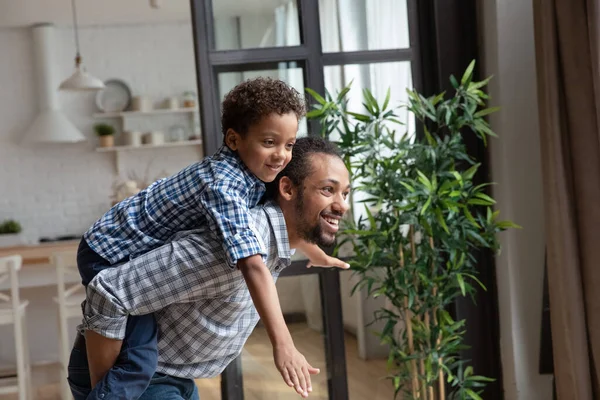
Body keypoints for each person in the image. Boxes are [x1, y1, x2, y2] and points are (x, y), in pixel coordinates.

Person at [77, 79, 349, 399]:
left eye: (288, 145)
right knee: (137, 360)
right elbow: (251, 264)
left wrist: (307, 246)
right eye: (270, 142)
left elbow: (282, 216)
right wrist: (284, 345)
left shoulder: (260, 176)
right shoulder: (225, 189)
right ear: (234, 139)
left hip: (175, 371)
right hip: (108, 249)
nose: (280, 155)